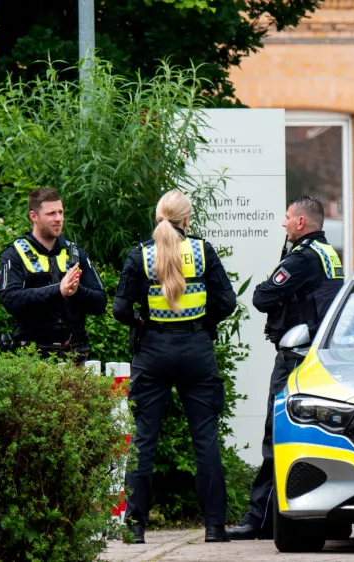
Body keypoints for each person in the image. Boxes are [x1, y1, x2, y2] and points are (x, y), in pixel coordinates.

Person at [112, 190, 238, 544]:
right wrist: (201, 321)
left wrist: (144, 321)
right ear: (187, 220)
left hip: (152, 352)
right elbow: (227, 302)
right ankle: (214, 527)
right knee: (206, 440)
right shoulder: (202, 251)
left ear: (158, 218)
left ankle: (135, 528)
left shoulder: (140, 254)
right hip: (196, 350)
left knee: (143, 440)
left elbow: (120, 310)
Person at [227, 195, 344, 540]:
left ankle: (259, 520)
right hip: (319, 356)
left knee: (275, 435)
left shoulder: (302, 258)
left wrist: (276, 291)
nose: (284, 223)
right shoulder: (329, 253)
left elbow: (261, 296)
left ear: (301, 223)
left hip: (295, 358)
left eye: (288, 218)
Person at [0, 187, 106, 363]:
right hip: (31, 356)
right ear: (34, 216)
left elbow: (100, 303)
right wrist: (57, 290)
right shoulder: (14, 254)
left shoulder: (76, 253)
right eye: (51, 213)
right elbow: (10, 300)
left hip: (75, 354)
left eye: (61, 212)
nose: (58, 219)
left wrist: (77, 291)